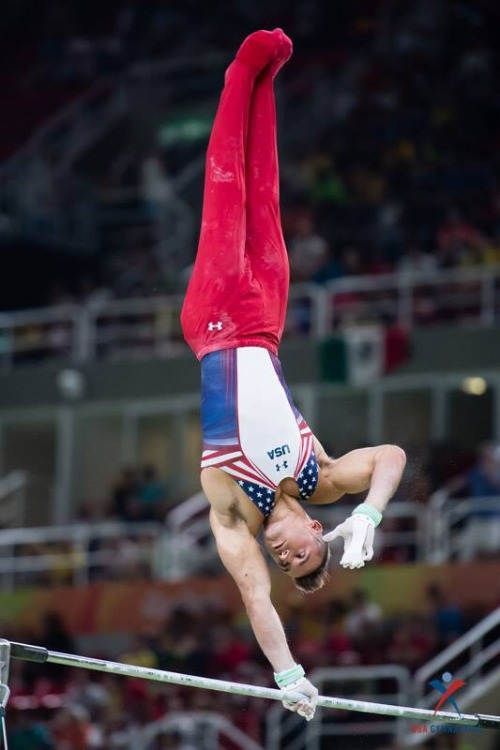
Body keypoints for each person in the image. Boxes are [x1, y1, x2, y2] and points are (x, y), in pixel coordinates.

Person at [180, 29, 406, 722]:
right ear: (316, 528)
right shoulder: (322, 475)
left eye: (286, 565)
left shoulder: (231, 511)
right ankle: (270, 81)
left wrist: (287, 675)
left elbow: (254, 596)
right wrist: (369, 513)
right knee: (268, 194)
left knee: (228, 191)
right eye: (301, 555)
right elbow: (393, 457)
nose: (282, 556)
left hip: (217, 323)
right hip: (270, 324)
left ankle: (240, 74)